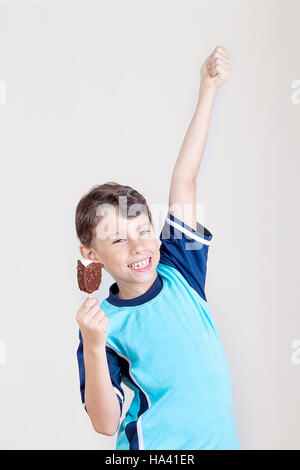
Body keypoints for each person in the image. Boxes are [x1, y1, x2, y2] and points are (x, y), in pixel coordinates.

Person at [75, 45, 241, 450]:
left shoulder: (179, 267)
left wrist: (208, 90)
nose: (138, 246)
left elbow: (184, 176)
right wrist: (94, 346)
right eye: (117, 238)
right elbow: (104, 423)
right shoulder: (105, 326)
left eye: (143, 230)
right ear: (91, 254)